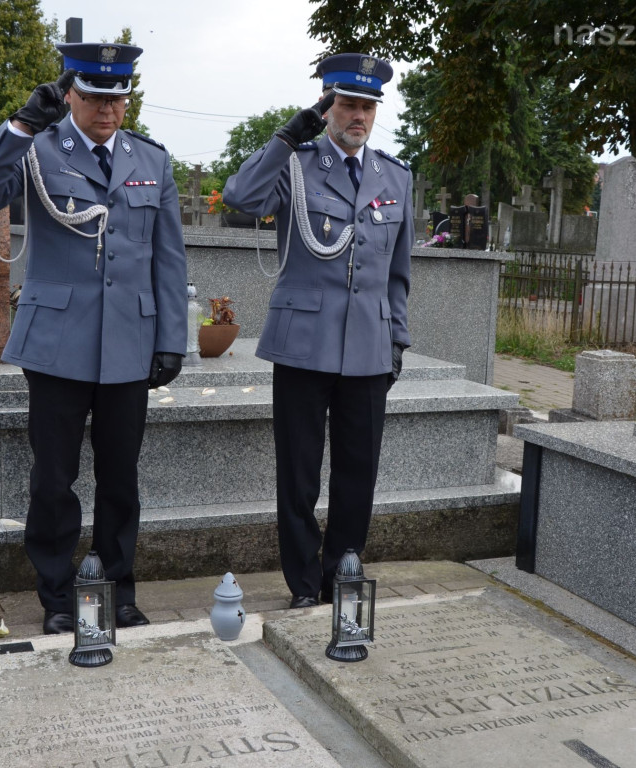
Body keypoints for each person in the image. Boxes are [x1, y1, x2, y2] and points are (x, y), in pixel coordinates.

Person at [0, 43, 187, 634]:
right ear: (71, 94)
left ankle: (117, 591)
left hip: (129, 343)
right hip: (58, 342)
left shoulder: (152, 161)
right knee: (53, 479)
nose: (107, 108)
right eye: (94, 96)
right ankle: (58, 599)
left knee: (121, 478)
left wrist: (172, 338)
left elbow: (168, 258)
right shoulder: (38, 149)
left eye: (118, 96)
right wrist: (22, 125)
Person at [223, 53, 412, 609]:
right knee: (299, 477)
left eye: (367, 107)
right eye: (348, 104)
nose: (358, 116)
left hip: (369, 350)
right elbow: (240, 197)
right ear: (328, 106)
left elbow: (398, 273)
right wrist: (286, 137)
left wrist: (396, 339)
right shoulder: (295, 165)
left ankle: (343, 575)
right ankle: (305, 586)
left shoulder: (394, 176)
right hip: (304, 346)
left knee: (359, 475)